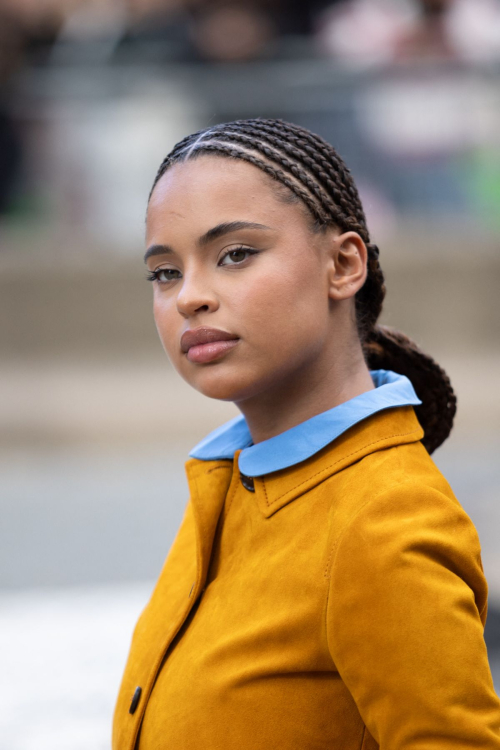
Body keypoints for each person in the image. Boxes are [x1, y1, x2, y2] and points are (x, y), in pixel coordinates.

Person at [112, 118, 500, 749]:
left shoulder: (382, 521)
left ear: (343, 264)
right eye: (164, 272)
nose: (190, 297)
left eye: (234, 254)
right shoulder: (235, 483)